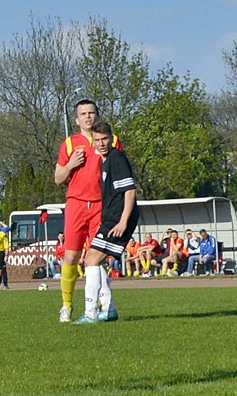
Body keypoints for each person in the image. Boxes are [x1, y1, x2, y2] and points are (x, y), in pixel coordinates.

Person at [53, 99, 121, 322]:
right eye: (83, 114)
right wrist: (71, 164)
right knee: (71, 256)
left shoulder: (111, 141)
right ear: (77, 119)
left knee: (96, 257)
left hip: (101, 205)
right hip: (76, 203)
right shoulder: (70, 144)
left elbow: (118, 172)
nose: (88, 117)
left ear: (97, 115)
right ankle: (66, 306)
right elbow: (58, 178)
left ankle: (104, 306)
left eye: (91, 113)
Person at [74, 119, 139, 324]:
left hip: (117, 218)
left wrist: (123, 221)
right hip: (111, 217)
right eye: (97, 140)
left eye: (104, 139)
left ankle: (91, 312)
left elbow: (129, 190)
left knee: (90, 261)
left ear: (112, 139)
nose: (101, 143)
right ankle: (108, 309)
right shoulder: (104, 161)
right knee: (96, 261)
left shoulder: (116, 157)